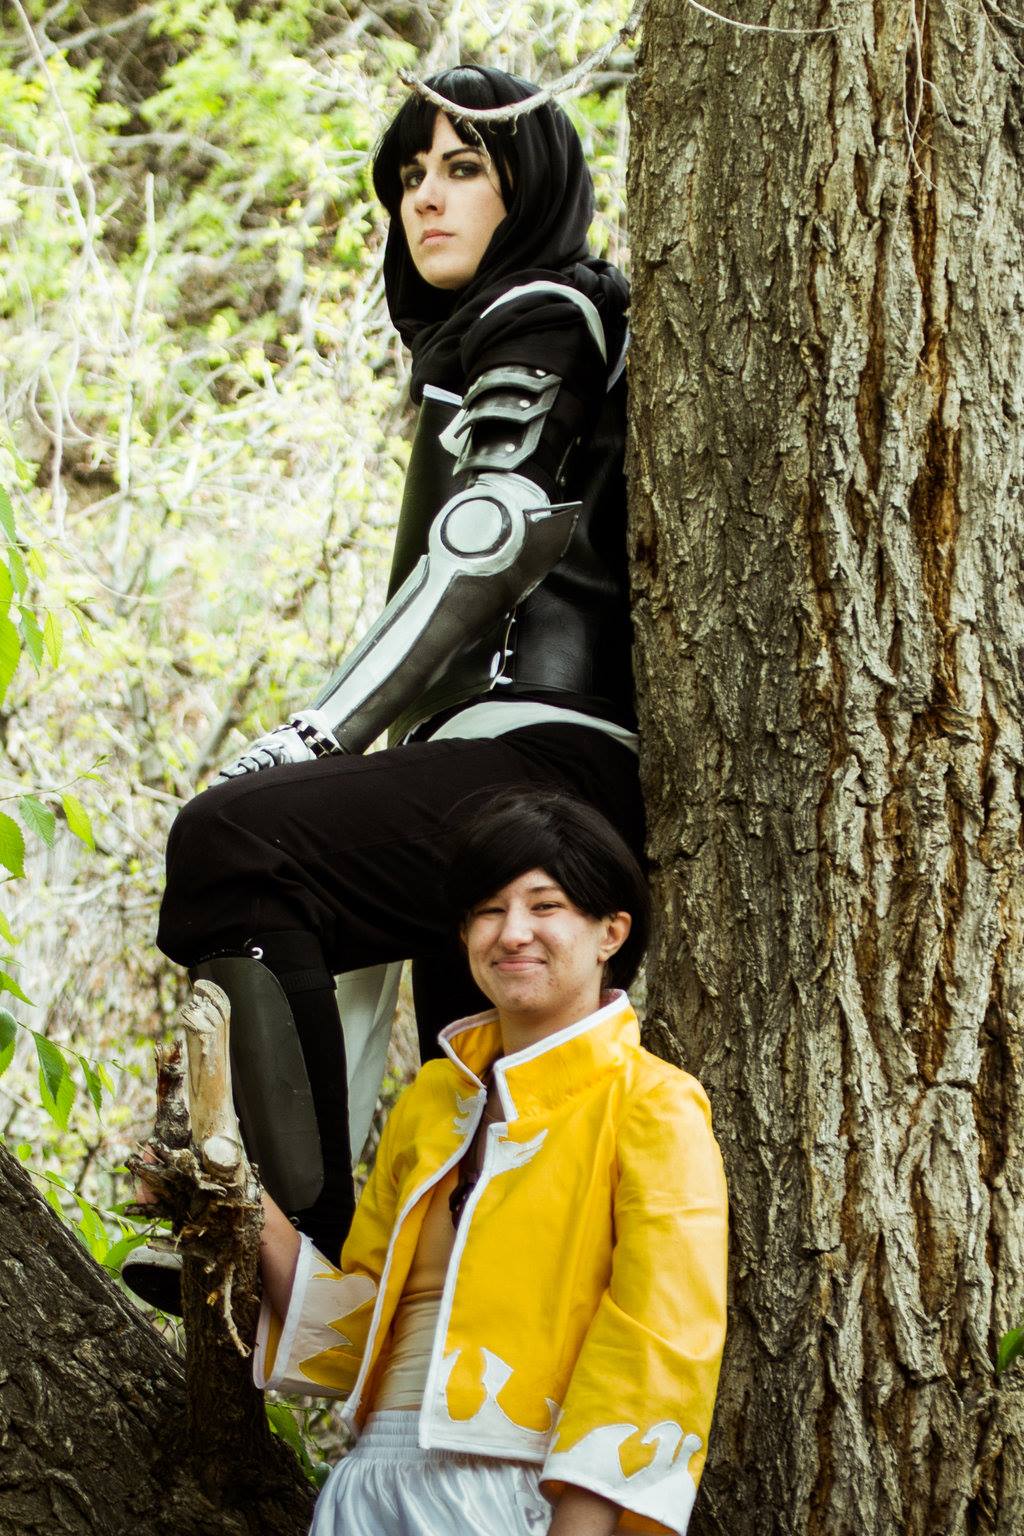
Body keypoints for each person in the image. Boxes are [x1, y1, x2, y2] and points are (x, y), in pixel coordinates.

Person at [125, 65, 642, 1307]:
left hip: (544, 764)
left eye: (463, 168)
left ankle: (281, 1238)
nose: (426, 198)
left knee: (234, 845)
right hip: (497, 776)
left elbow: (491, 537)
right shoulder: (501, 332)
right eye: (410, 175)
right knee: (481, 1149)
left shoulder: (545, 309)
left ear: (531, 189)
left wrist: (320, 733)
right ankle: (354, 1313)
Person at [255, 790, 728, 1536]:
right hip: (366, 1488)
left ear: (610, 932)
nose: (512, 933)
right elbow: (358, 1333)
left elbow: (659, 1343)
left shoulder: (655, 1102)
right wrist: (237, 1201)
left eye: (545, 906)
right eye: (487, 910)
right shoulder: (430, 1100)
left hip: (525, 1496)